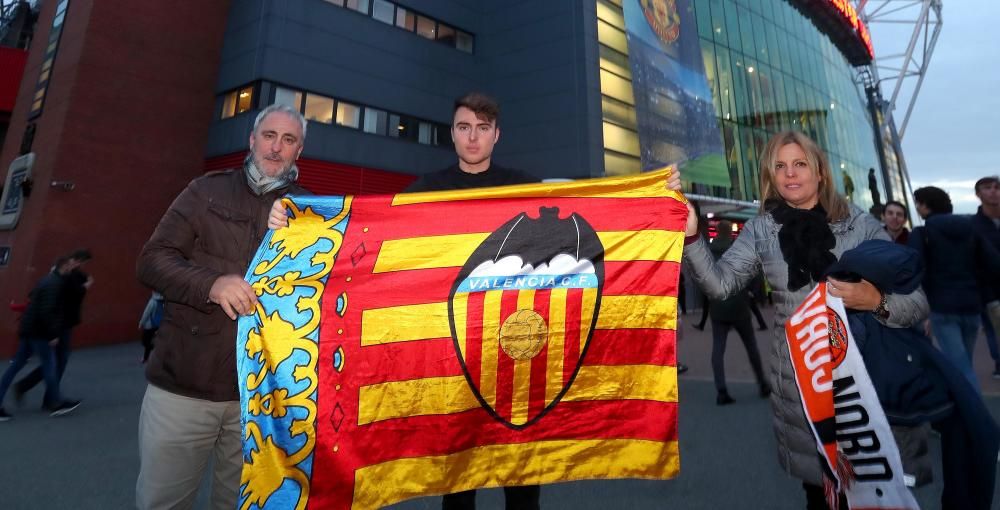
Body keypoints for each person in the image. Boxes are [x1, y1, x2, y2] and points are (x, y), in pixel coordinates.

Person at [681, 131, 928, 509]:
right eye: (779, 166)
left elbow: (916, 300)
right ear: (770, 175)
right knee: (820, 496)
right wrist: (693, 235)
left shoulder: (859, 225)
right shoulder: (762, 229)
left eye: (799, 164)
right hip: (802, 388)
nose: (789, 174)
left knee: (874, 495)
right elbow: (720, 285)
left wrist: (875, 299)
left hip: (865, 382)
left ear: (820, 173)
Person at [135, 104, 309, 509]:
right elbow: (151, 260)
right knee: (163, 501)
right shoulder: (205, 191)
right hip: (184, 387)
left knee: (239, 504)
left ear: (298, 151)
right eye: (268, 136)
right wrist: (211, 284)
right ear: (251, 140)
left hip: (262, 400)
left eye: (288, 140)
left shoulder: (312, 211)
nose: (275, 148)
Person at [909, 186, 1000, 392]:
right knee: (964, 362)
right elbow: (994, 264)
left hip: (942, 307)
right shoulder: (970, 229)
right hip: (971, 306)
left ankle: (975, 419)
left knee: (960, 368)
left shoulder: (923, 233)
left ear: (925, 206)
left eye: (918, 204)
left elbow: (913, 270)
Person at [0, 253, 85, 421]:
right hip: (38, 332)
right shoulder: (55, 284)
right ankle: (54, 403)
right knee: (49, 364)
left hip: (29, 329)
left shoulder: (48, 280)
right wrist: (52, 335)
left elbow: (37, 303)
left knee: (17, 365)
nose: (71, 270)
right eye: (69, 267)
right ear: (64, 267)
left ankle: (52, 401)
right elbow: (47, 311)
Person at [704, 220, 770, 405]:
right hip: (739, 305)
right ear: (729, 232)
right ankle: (762, 383)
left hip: (717, 306)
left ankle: (721, 391)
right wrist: (753, 292)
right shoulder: (737, 249)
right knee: (751, 346)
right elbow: (754, 272)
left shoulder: (708, 252)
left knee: (718, 349)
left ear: (716, 231)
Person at [972, 176, 1000, 378]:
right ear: (978, 194)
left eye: (997, 187)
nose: (993, 191)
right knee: (993, 332)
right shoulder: (974, 225)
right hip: (990, 292)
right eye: (987, 187)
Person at [138, 291, 164, 364]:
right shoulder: (163, 302)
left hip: (150, 326)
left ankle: (152, 353)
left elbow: (146, 313)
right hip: (159, 325)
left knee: (145, 341)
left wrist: (141, 323)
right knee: (151, 341)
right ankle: (146, 358)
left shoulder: (152, 302)